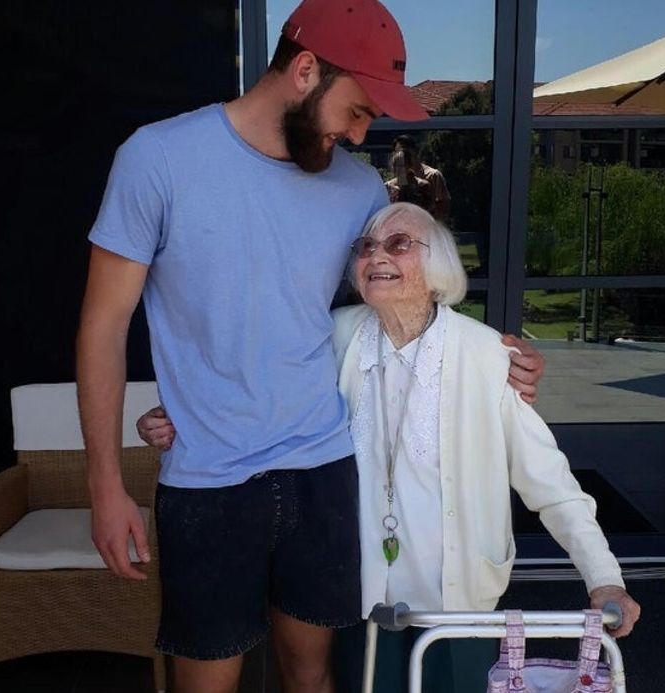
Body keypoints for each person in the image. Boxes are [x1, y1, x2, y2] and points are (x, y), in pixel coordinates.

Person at [76, 0, 546, 690]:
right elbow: (102, 327)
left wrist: (495, 363)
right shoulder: (158, 159)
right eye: (356, 110)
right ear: (304, 71)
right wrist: (104, 484)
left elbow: (409, 306)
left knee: (312, 674)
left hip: (323, 469)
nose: (361, 134)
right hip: (208, 483)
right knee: (205, 683)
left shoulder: (355, 189)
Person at [138, 203, 640, 692]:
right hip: (362, 590)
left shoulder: (487, 354)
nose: (377, 256)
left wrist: (603, 578)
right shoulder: (335, 336)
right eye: (366, 247)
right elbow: (262, 393)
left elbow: (549, 483)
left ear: (438, 264)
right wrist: (185, 419)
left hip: (458, 598)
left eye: (399, 244)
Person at [393, 134, 451, 221]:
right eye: (398, 153)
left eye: (405, 152)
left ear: (414, 152)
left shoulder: (433, 175)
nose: (402, 156)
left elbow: (443, 207)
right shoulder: (393, 183)